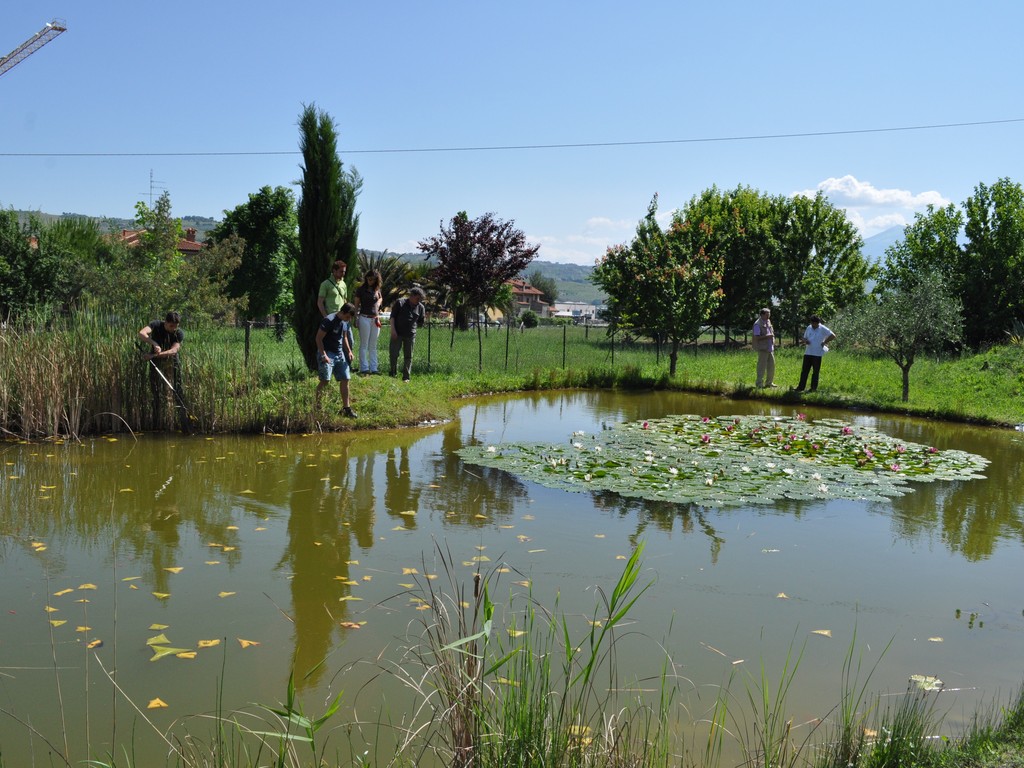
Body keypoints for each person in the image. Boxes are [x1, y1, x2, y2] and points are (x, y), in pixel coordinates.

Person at [138, 311, 185, 429]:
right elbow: (142, 333)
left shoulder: (178, 333)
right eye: (171, 326)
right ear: (166, 322)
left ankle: (181, 418)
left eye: (176, 326)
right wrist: (154, 343)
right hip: (156, 364)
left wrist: (153, 356)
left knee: (177, 389)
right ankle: (157, 418)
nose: (174, 328)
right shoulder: (156, 324)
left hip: (172, 362)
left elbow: (174, 351)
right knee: (156, 390)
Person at [315, 302, 358, 417]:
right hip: (327, 352)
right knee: (325, 380)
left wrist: (349, 351)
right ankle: (318, 408)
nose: (348, 319)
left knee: (346, 378)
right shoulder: (329, 320)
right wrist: (324, 355)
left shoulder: (344, 322)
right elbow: (318, 339)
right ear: (342, 312)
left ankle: (346, 409)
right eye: (348, 317)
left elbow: (344, 338)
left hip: (339, 353)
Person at [389, 287, 426, 382]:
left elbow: (421, 322)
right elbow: (392, 317)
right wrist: (393, 330)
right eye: (418, 298)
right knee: (393, 354)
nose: (419, 301)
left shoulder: (421, 308)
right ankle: (393, 374)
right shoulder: (400, 303)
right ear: (411, 296)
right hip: (397, 333)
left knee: (408, 356)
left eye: (420, 299)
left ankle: (406, 377)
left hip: (410, 335)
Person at [795, 315, 837, 393]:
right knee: (804, 371)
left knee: (815, 372)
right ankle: (801, 387)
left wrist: (825, 342)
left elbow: (833, 335)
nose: (815, 325)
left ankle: (813, 389)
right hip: (808, 352)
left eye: (816, 323)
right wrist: (805, 341)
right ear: (811, 322)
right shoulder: (809, 327)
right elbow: (804, 338)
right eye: (813, 323)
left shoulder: (822, 328)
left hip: (817, 354)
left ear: (818, 322)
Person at [353, 269, 383, 375]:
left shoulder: (377, 289)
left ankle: (374, 368)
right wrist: (356, 318)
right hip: (364, 318)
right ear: (366, 278)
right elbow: (356, 305)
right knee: (364, 344)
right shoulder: (361, 289)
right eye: (369, 279)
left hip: (375, 318)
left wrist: (378, 304)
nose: (371, 281)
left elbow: (380, 298)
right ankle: (364, 368)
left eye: (373, 279)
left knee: (373, 345)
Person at [752, 307, 777, 388]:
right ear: (762, 314)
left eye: (769, 314)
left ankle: (769, 383)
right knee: (761, 367)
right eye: (767, 314)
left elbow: (771, 332)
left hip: (770, 348)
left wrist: (773, 340)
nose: (768, 316)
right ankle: (759, 384)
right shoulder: (757, 324)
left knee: (771, 366)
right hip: (763, 348)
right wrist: (768, 336)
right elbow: (757, 338)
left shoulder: (768, 321)